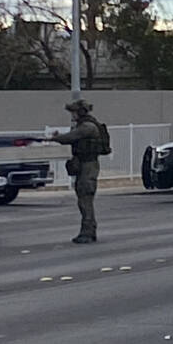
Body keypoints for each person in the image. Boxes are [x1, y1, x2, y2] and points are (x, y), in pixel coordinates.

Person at [53, 99, 102, 244]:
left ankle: (87, 231)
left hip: (88, 166)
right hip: (85, 165)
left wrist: (55, 138)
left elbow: (70, 137)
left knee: (85, 198)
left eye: (73, 112)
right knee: (83, 198)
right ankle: (89, 230)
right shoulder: (85, 125)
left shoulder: (87, 126)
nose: (72, 115)